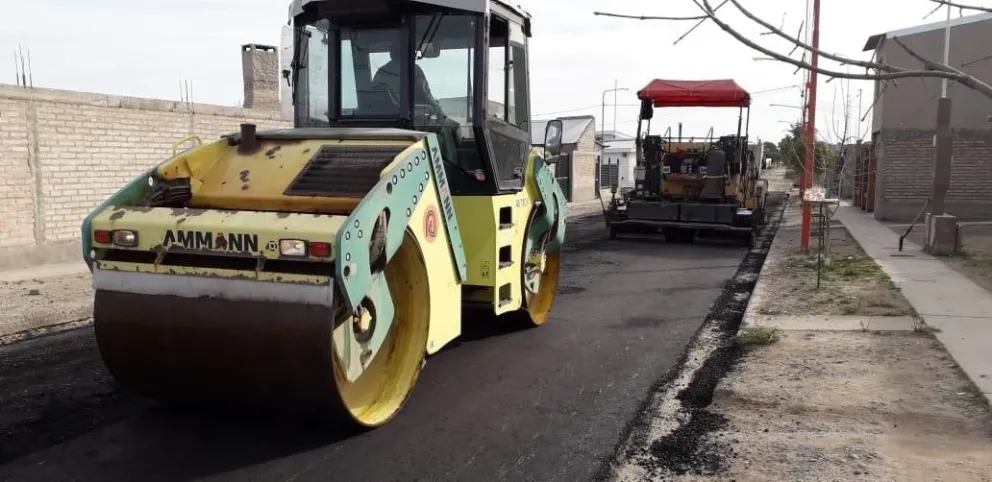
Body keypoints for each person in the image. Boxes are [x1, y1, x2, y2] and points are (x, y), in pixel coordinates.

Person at [372, 42, 445, 116]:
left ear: (391, 53)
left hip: (383, 119)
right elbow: (427, 96)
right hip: (408, 118)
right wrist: (440, 113)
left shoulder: (380, 73)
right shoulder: (414, 69)